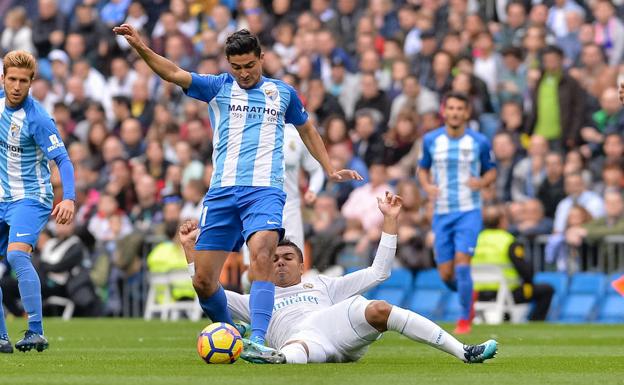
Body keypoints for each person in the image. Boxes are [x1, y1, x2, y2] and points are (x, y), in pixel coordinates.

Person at [113, 25, 362, 350]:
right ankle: (233, 334)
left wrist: (328, 168)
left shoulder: (282, 93)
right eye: (237, 67)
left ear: (261, 58)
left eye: (249, 65)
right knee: (203, 282)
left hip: (265, 192)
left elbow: (307, 130)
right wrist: (140, 47)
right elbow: (172, 72)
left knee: (261, 255)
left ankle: (259, 339)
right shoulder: (218, 87)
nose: (244, 73)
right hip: (222, 193)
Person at [179, 192, 498, 364]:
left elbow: (379, 272)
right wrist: (192, 253)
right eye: (274, 259)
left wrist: (390, 221)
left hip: (337, 329)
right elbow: (208, 290)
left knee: (377, 308)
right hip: (303, 345)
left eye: (288, 258)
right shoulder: (254, 302)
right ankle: (275, 359)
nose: (279, 264)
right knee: (299, 346)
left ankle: (463, 351)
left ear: (302, 265)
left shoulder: (322, 284)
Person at [0, 50, 76, 353]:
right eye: (12, 79)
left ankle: (35, 330)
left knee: (17, 257)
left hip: (32, 197)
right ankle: (2, 338)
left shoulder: (38, 118)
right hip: (3, 197)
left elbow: (64, 160)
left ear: (31, 83)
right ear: (3, 79)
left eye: (23, 81)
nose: (17, 86)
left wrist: (68, 198)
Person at [417, 92, 497, 334]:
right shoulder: (431, 140)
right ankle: (467, 291)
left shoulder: (479, 141)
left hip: (468, 210)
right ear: (444, 111)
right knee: (446, 273)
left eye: (459, 109)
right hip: (442, 213)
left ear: (467, 113)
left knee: (463, 264)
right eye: (450, 108)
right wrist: (427, 186)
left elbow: (491, 170)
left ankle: (464, 319)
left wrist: (482, 183)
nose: (455, 113)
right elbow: (423, 169)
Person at [472, 205, 554, 321]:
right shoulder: (507, 240)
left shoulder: (475, 240)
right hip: (508, 293)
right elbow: (526, 271)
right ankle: (535, 323)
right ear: (502, 222)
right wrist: (528, 283)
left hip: (480, 294)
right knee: (547, 290)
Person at [282, 123, 324, 251]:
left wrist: (312, 190)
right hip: (258, 206)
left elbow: (316, 169)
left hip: (290, 208)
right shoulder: (252, 130)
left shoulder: (295, 135)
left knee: (293, 260)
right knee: (258, 263)